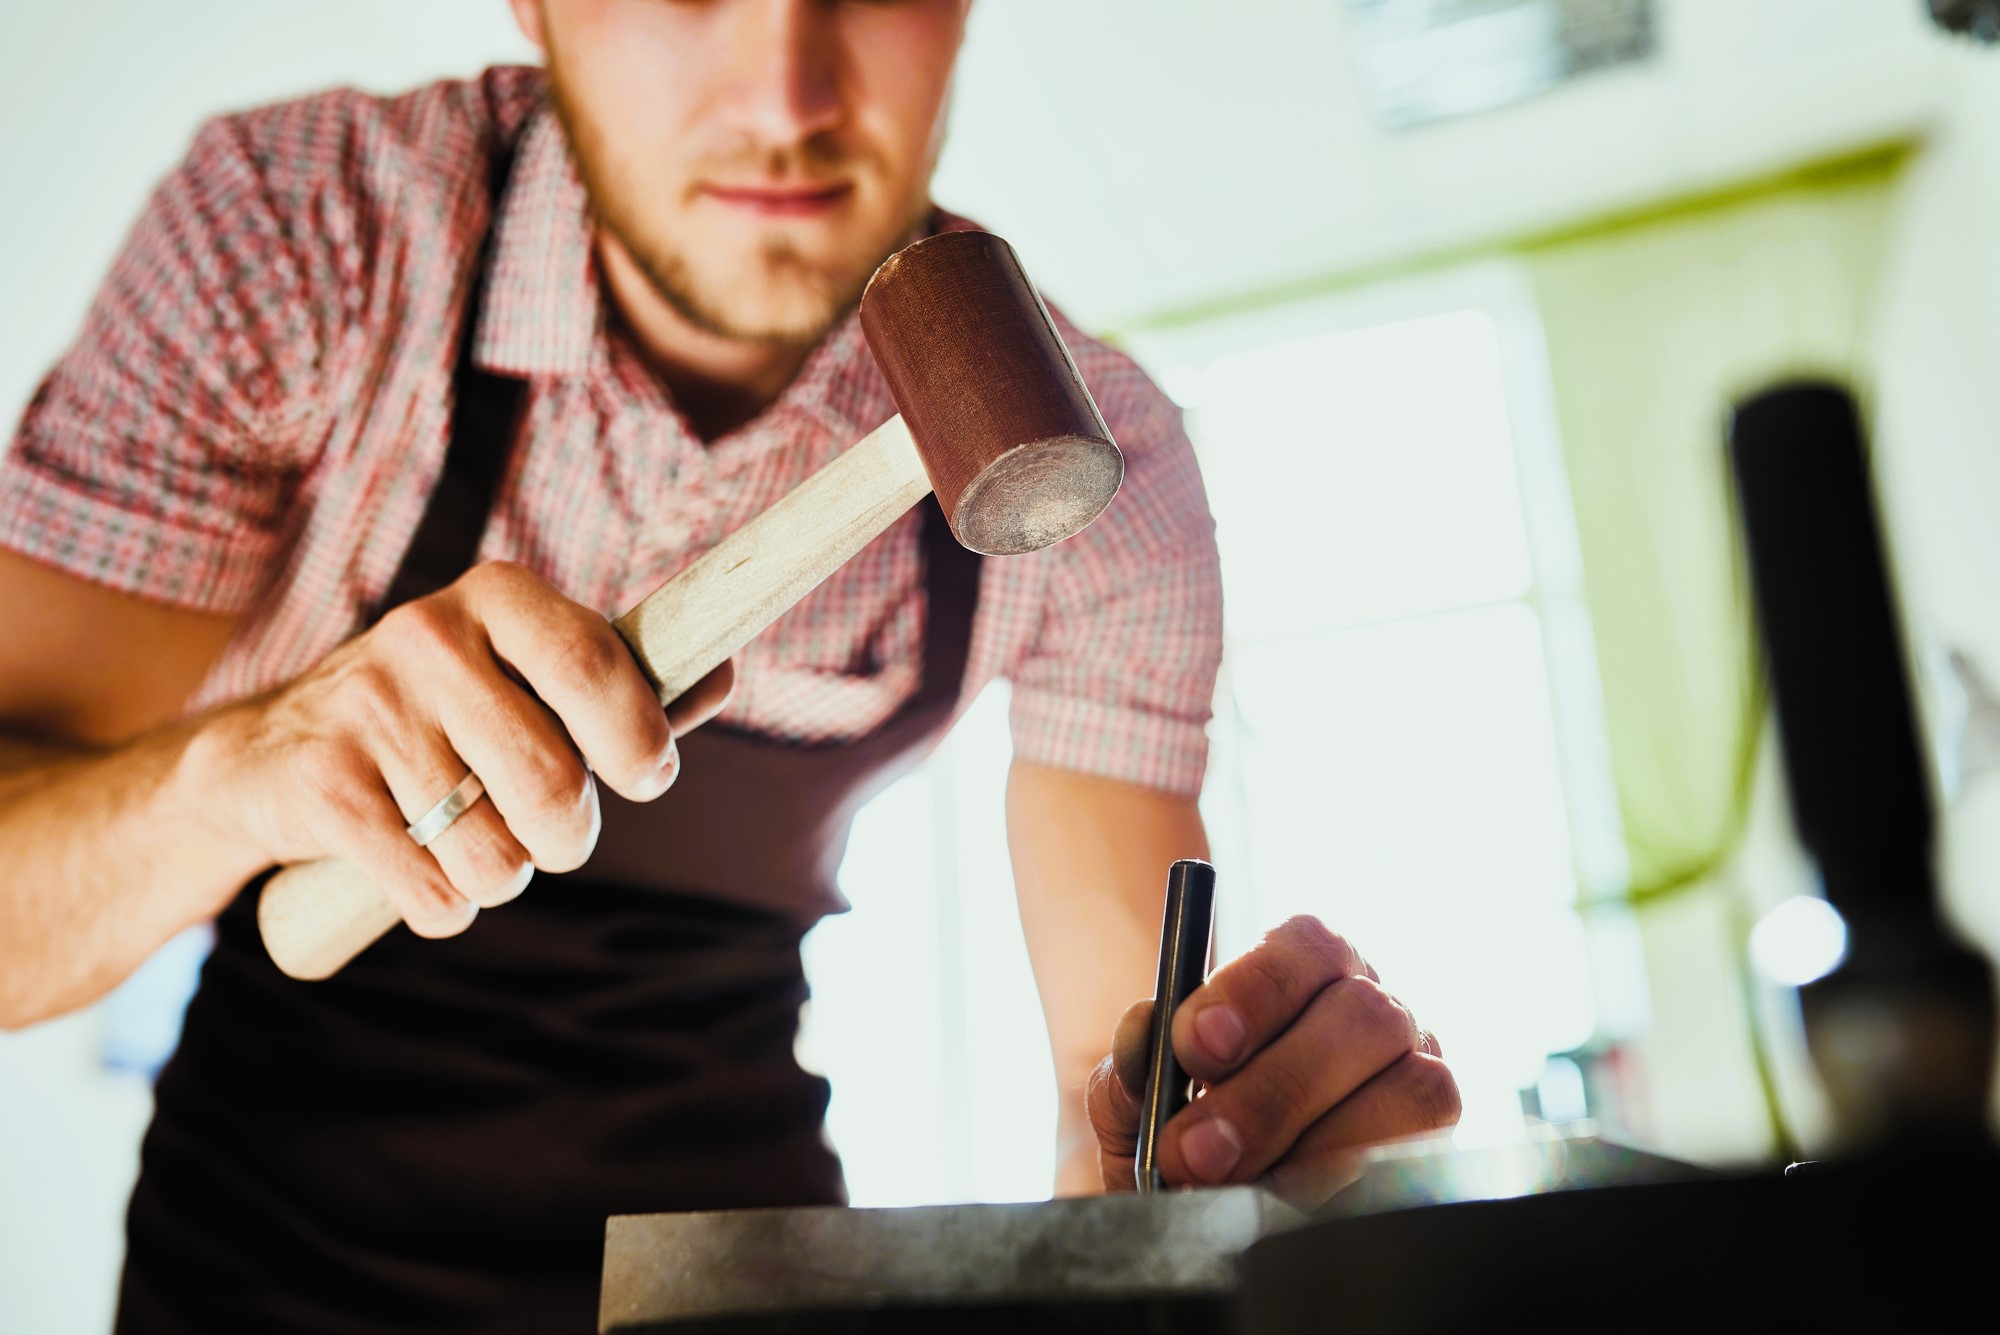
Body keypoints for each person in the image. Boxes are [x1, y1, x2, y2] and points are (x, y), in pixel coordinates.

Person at [0, 2, 1460, 1330]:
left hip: (735, 1288)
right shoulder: (300, 234)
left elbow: (1121, 1124)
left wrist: (1216, 1171)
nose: (785, 90)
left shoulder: (1111, 472)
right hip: (260, 1270)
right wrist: (229, 782)